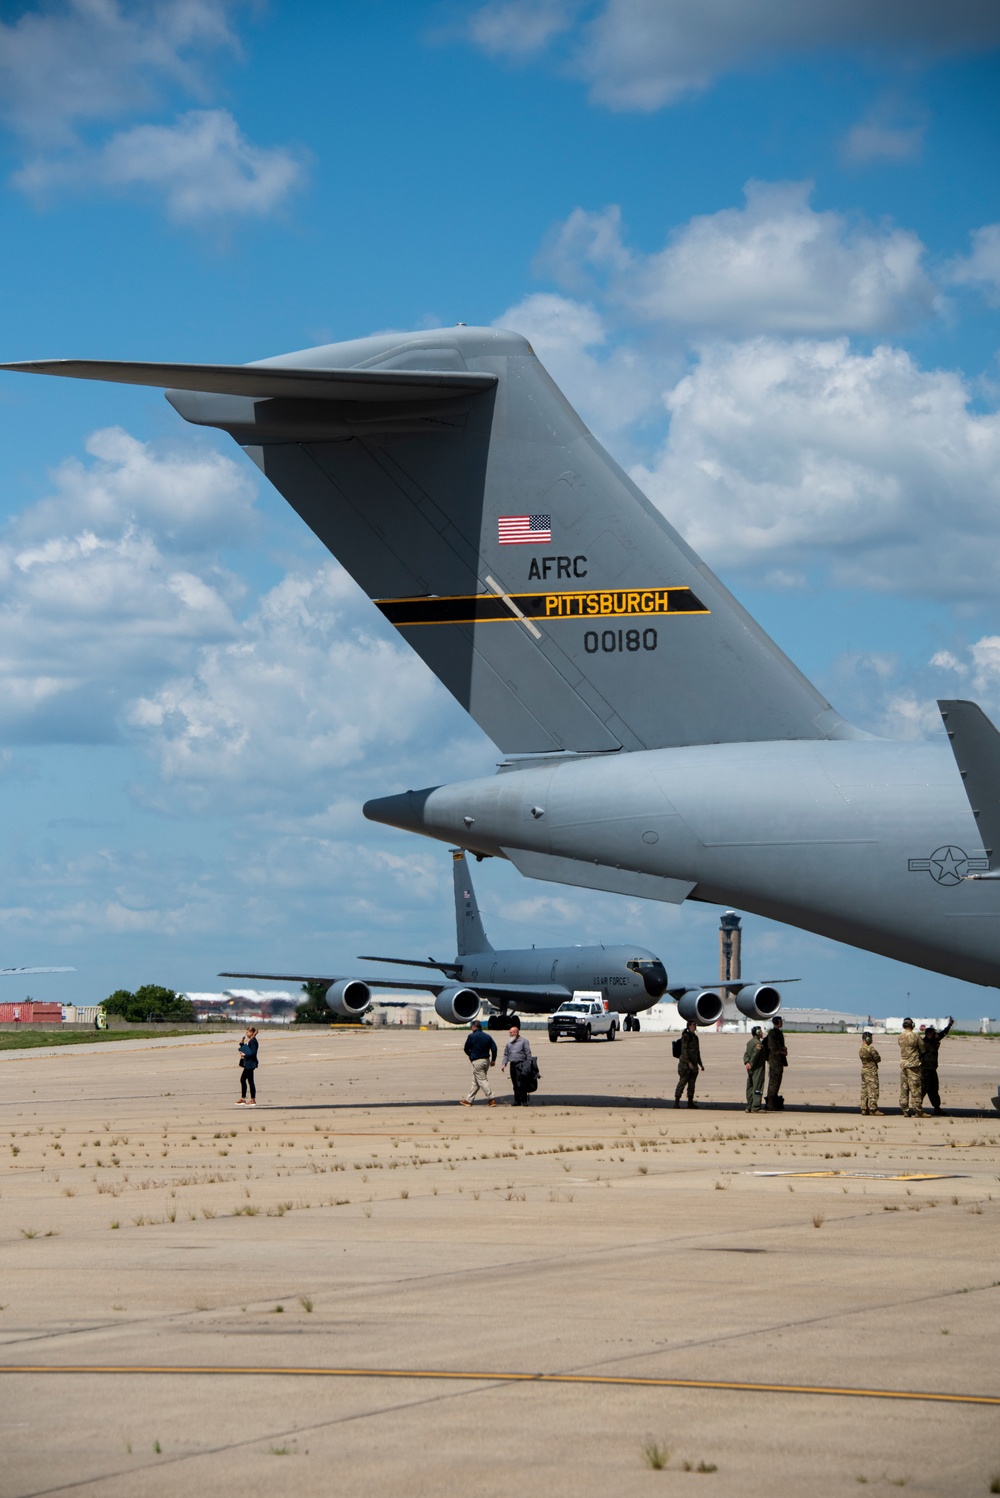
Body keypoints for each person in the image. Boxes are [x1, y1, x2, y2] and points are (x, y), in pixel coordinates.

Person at [921, 1016, 954, 1114]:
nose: (933, 1034)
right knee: (922, 1090)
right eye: (931, 1033)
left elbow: (943, 1033)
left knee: (934, 1089)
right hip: (924, 1070)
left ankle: (937, 1108)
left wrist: (949, 1025)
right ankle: (918, 1107)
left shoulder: (934, 1041)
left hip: (932, 1070)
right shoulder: (922, 1043)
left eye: (933, 1033)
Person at [461, 1019, 497, 1106]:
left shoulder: (472, 1036)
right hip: (486, 1061)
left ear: (473, 1027)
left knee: (482, 1080)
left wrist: (471, 1055)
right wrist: (493, 1060)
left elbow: (466, 1049)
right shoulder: (487, 1036)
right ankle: (469, 1100)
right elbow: (494, 1048)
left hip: (477, 1061)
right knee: (476, 1082)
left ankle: (491, 1098)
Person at [501, 1022, 533, 1106]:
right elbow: (506, 1054)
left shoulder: (524, 1041)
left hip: (521, 1065)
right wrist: (504, 1064)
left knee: (522, 1083)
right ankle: (517, 1100)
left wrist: (528, 1065)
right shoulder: (509, 1043)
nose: (510, 1034)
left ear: (516, 1033)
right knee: (515, 1083)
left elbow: (528, 1054)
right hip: (513, 1065)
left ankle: (524, 1100)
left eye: (511, 1032)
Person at [897, 1017, 924, 1117]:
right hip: (913, 1065)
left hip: (903, 1065)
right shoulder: (915, 1036)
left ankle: (905, 1110)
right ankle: (918, 1110)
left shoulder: (900, 1037)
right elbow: (923, 1048)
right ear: (912, 1025)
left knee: (904, 1088)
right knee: (915, 1088)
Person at [674, 1019, 704, 1108]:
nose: (695, 1026)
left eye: (695, 1024)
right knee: (682, 1082)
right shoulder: (686, 1037)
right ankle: (676, 1101)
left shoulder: (695, 1037)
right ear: (689, 1026)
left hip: (694, 1064)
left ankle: (690, 1102)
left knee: (692, 1084)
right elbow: (684, 1050)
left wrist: (700, 1064)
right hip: (685, 1064)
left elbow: (697, 1052)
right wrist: (688, 1062)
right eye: (693, 1024)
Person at [763, 1016, 787, 1110]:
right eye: (780, 1021)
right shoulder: (773, 1033)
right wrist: (782, 1051)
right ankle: (770, 1100)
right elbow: (772, 1047)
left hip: (778, 1060)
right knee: (774, 1081)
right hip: (774, 1060)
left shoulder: (778, 1033)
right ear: (777, 1022)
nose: (782, 1023)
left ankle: (773, 1098)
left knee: (777, 1080)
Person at [859, 1031, 883, 1115]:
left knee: (864, 1090)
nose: (872, 1041)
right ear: (868, 1039)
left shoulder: (861, 1049)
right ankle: (873, 1108)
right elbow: (877, 1058)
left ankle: (864, 1108)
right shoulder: (870, 1048)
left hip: (864, 1070)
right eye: (871, 1038)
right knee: (873, 1090)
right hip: (871, 1071)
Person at [743, 1026, 764, 1112]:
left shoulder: (749, 1042)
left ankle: (749, 1106)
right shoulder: (758, 1044)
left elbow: (746, 1054)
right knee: (758, 1087)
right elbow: (755, 1055)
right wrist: (751, 1063)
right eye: (761, 1031)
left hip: (750, 1068)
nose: (762, 1033)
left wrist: (746, 1062)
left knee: (750, 1087)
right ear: (758, 1032)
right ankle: (756, 1106)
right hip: (757, 1068)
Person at [238, 1025, 259, 1106]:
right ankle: (250, 1099)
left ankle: (245, 1098)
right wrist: (242, 1043)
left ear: (251, 1032)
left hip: (250, 1063)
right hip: (249, 1063)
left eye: (247, 1032)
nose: (246, 1033)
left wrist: (244, 1055)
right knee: (249, 1081)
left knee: (243, 1079)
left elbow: (253, 1053)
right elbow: (248, 1050)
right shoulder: (251, 1040)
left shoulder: (253, 1041)